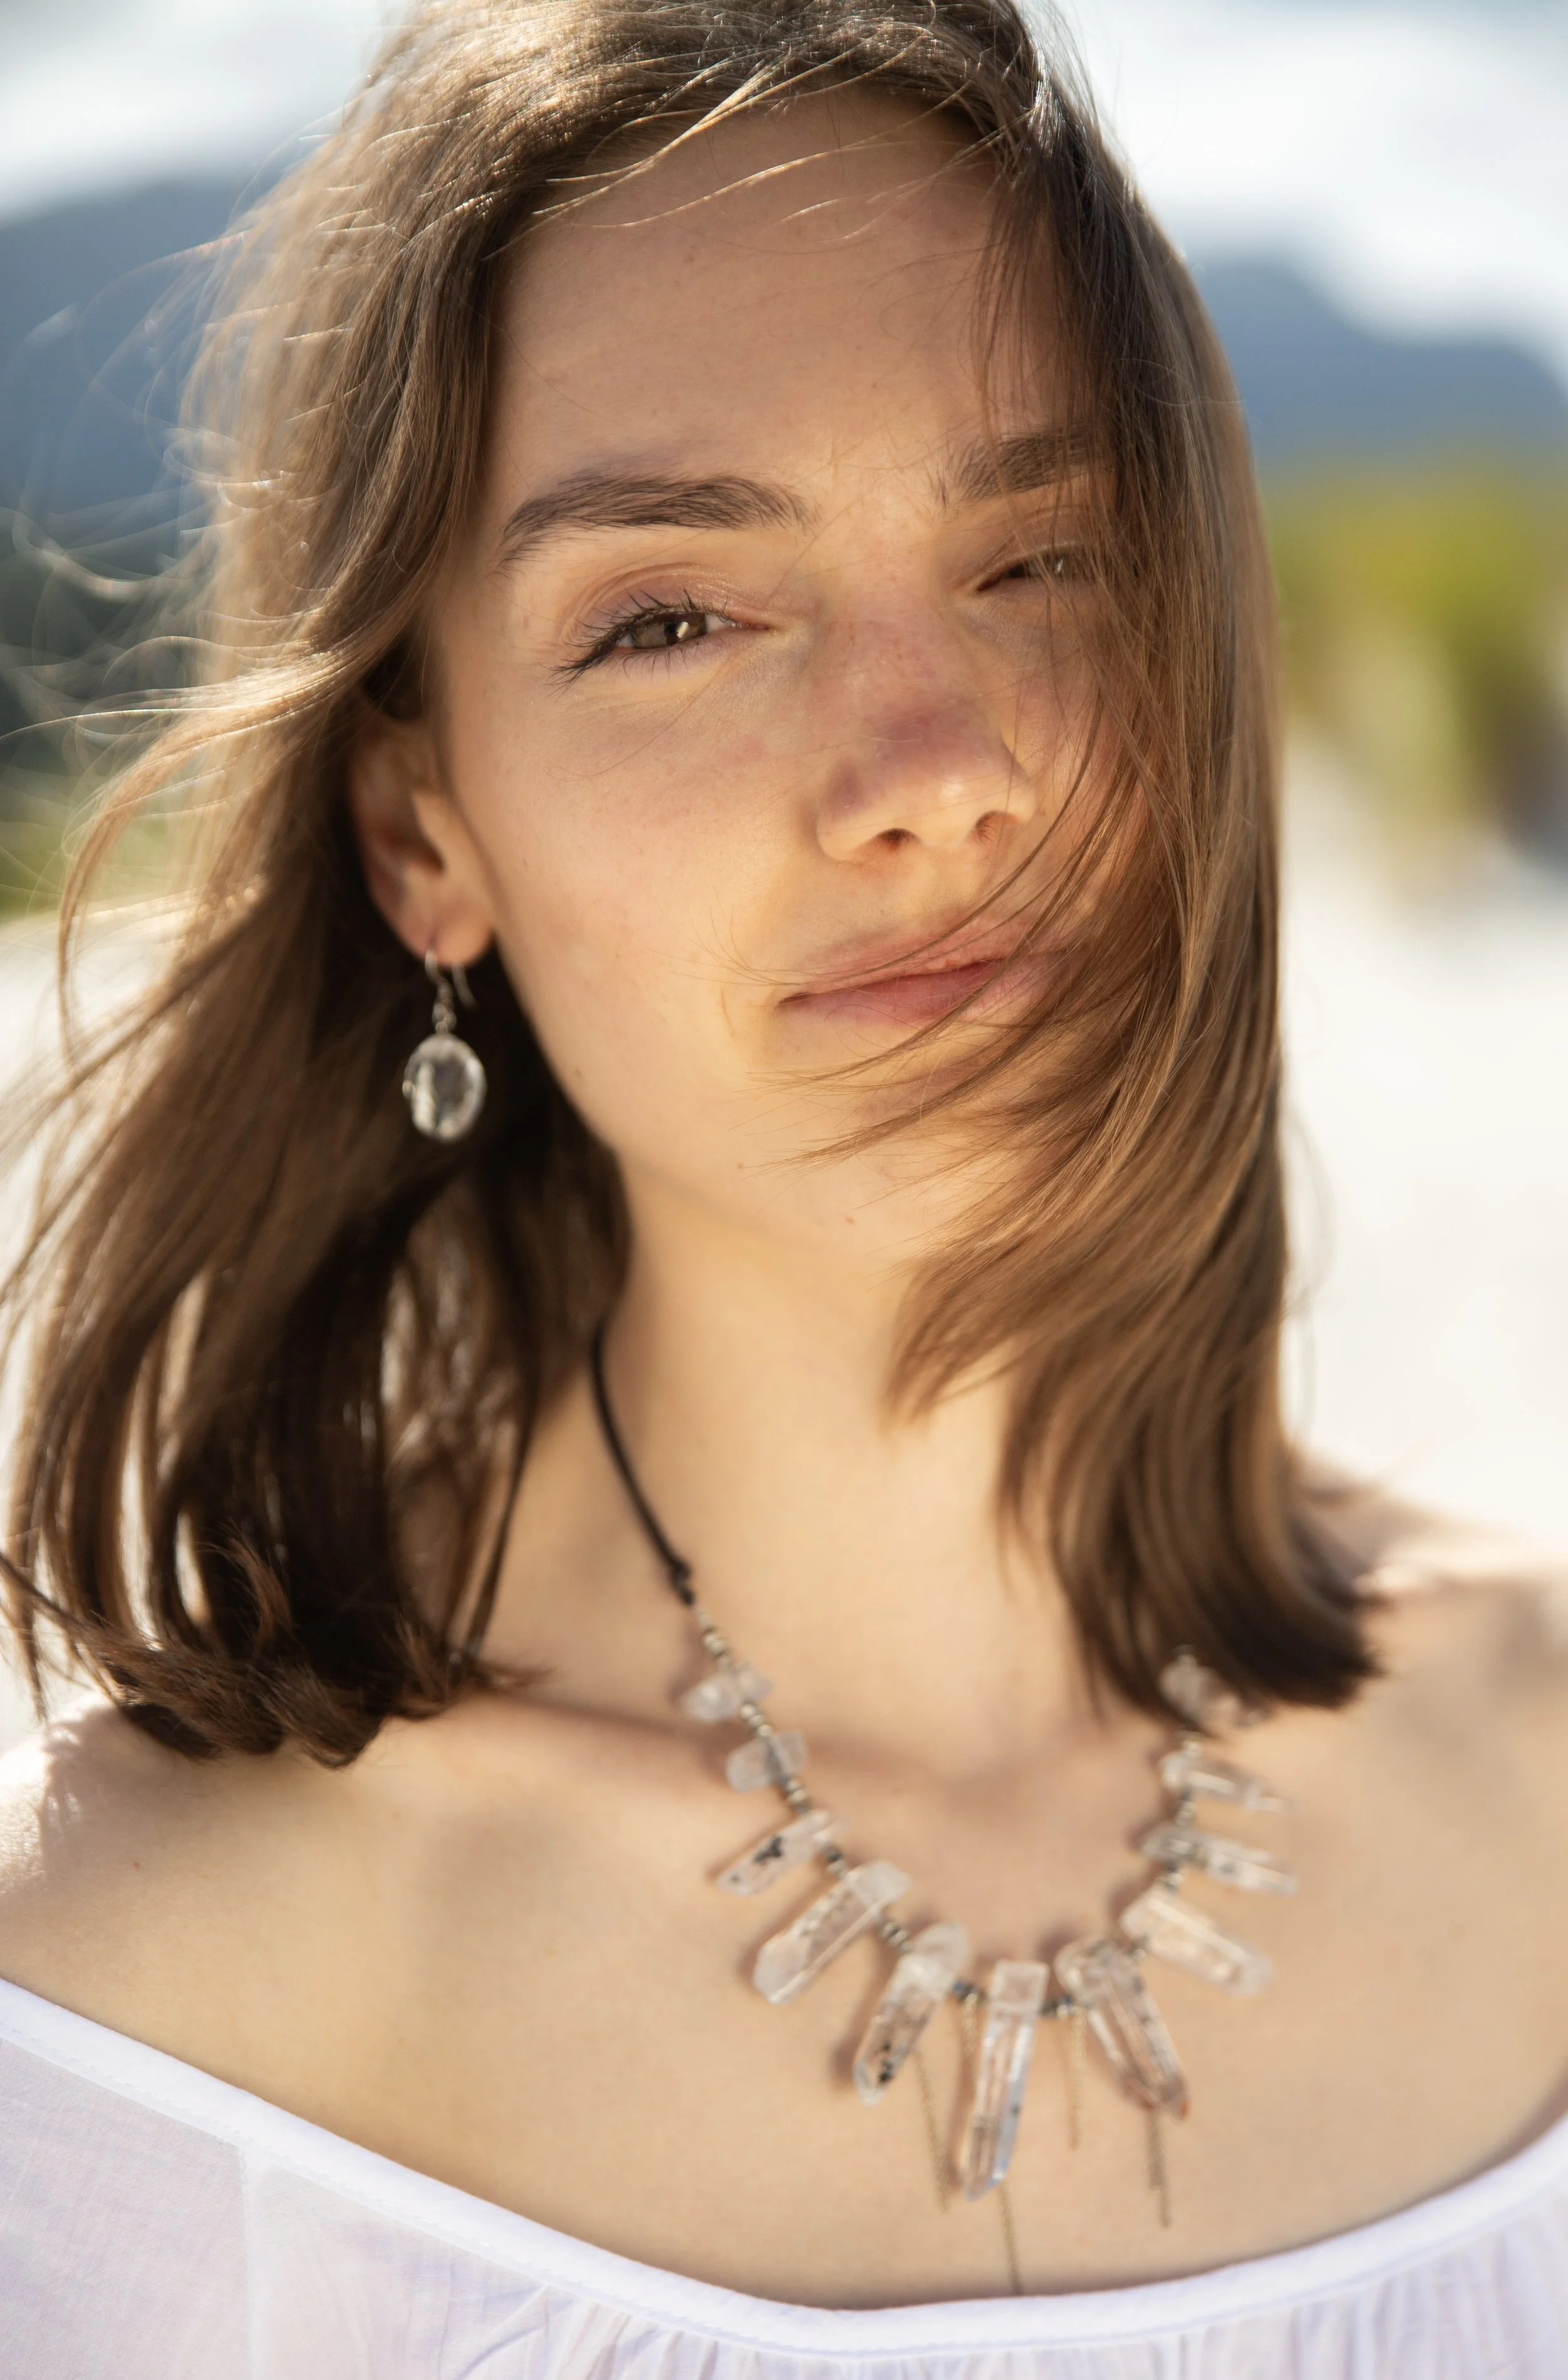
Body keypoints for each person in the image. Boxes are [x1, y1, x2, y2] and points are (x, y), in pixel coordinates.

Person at [1, 2, 1565, 2371]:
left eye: (1042, 558)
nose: (932, 778)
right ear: (425, 834)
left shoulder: (1544, 1763)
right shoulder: (133, 1975)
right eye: (668, 618)